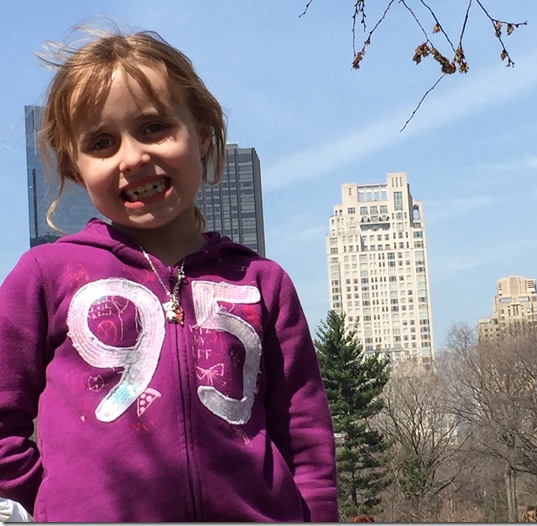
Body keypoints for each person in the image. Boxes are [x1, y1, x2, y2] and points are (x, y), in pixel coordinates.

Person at [0, 26, 338, 522]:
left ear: (200, 134)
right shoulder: (44, 276)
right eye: (102, 142)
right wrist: (52, 504)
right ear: (74, 167)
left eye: (154, 127)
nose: (134, 157)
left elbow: (306, 439)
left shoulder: (263, 283)